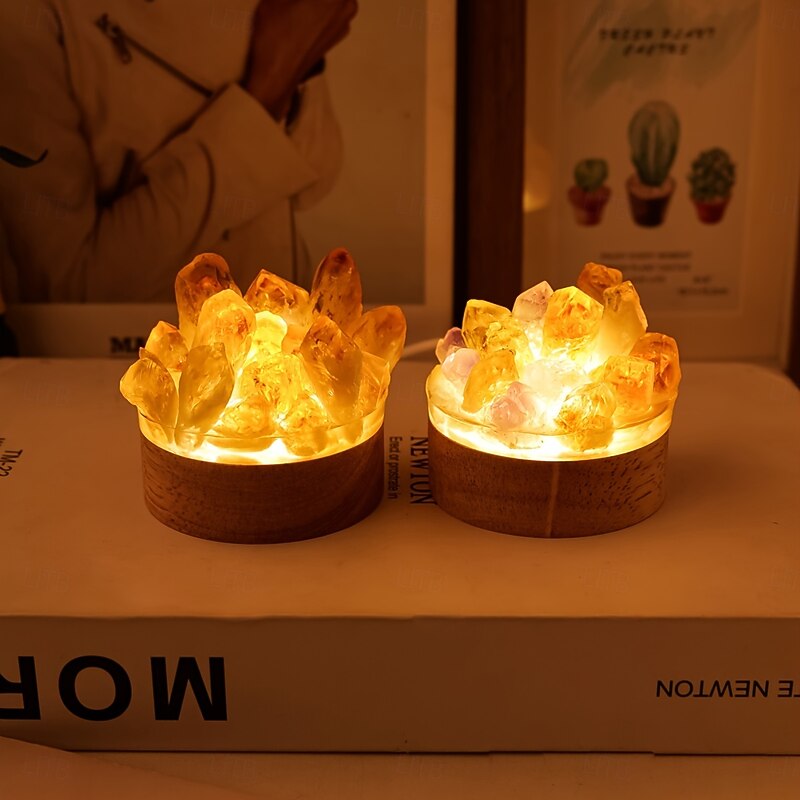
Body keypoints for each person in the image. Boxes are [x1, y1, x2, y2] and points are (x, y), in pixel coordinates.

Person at [0, 0, 357, 303]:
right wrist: (267, 93)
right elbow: (70, 285)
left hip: (280, 337)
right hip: (132, 349)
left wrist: (298, 60)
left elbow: (314, 177)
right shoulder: (30, 19)